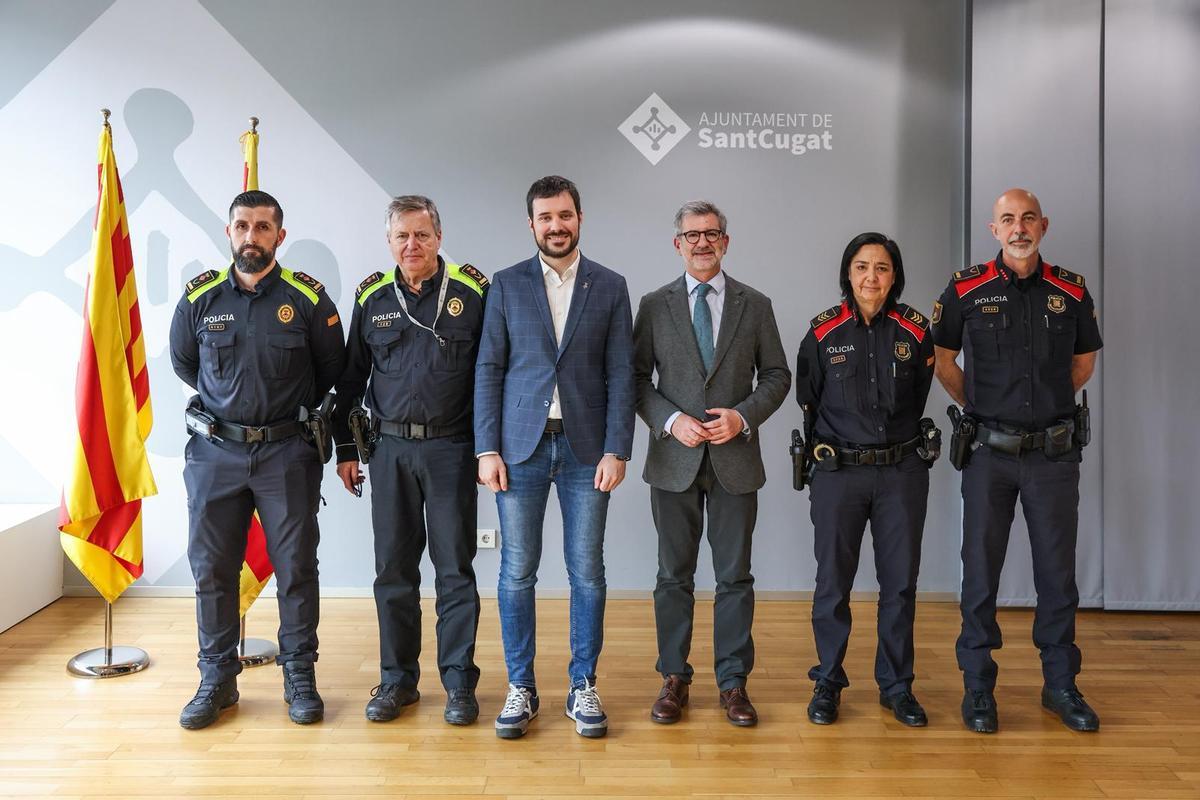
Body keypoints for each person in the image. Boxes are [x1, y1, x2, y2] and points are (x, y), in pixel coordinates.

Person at [169, 190, 345, 729]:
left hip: (286, 454)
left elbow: (331, 370)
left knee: (296, 567)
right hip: (215, 454)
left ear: (279, 236)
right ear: (229, 232)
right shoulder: (200, 298)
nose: (252, 235)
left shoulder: (308, 299)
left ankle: (299, 675)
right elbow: (184, 363)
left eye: (263, 227)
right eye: (242, 225)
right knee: (212, 569)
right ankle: (216, 679)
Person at [932, 188, 1102, 733]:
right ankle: (979, 687)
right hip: (989, 454)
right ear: (994, 229)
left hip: (1053, 456)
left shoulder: (1070, 290)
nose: (1019, 227)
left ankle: (1060, 685)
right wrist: (982, 408)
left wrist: (1047, 407)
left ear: (1043, 226)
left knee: (1057, 573)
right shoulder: (966, 288)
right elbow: (942, 358)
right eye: (1008, 219)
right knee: (980, 572)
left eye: (1028, 218)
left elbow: (1083, 362)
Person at [474, 175, 634, 739]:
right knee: (517, 571)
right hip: (519, 448)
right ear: (532, 224)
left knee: (587, 571)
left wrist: (617, 448)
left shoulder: (610, 286)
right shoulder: (506, 284)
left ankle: (582, 683)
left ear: (579, 218)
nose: (556, 226)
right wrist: (487, 448)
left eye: (565, 215)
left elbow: (622, 373)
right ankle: (521, 686)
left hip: (588, 450)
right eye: (545, 217)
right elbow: (489, 368)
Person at [633, 200, 791, 727]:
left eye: (711, 233)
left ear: (726, 241)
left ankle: (733, 682)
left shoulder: (756, 304)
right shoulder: (654, 305)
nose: (702, 242)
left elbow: (777, 375)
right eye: (692, 234)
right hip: (672, 460)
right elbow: (635, 380)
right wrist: (669, 420)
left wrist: (743, 417)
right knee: (672, 576)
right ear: (676, 243)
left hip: (735, 460)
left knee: (734, 577)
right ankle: (673, 677)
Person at [332, 195, 487, 726]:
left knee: (455, 570)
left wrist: (487, 450)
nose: (412, 245)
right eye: (402, 236)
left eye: (422, 234)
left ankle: (459, 684)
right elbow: (351, 380)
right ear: (389, 241)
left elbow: (491, 376)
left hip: (452, 449)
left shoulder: (472, 293)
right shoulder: (372, 297)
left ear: (439, 238)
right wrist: (347, 450)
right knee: (394, 571)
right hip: (390, 451)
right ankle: (397, 681)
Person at [795, 232, 937, 727]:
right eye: (861, 267)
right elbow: (809, 399)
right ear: (848, 274)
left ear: (894, 275)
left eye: (881, 267)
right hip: (840, 473)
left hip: (901, 472)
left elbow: (918, 396)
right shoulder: (823, 332)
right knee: (832, 583)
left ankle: (896, 686)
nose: (871, 277)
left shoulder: (916, 331)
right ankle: (828, 682)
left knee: (899, 584)